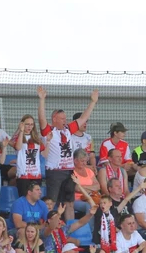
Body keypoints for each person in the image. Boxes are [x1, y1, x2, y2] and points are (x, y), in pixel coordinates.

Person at [37, 86, 99, 217]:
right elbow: (42, 119)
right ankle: (51, 225)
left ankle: (69, 227)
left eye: (65, 118)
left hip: (69, 171)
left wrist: (92, 102)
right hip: (54, 171)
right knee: (52, 202)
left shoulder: (68, 129)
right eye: (62, 118)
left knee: (69, 202)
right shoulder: (49, 131)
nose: (65, 120)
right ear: (54, 119)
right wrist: (42, 100)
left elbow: (82, 118)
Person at [13, 114, 49, 197]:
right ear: (22, 124)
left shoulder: (36, 138)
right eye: (27, 124)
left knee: (35, 198)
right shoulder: (17, 137)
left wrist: (48, 142)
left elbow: (44, 154)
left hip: (36, 174)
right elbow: (18, 147)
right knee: (24, 198)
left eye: (31, 124)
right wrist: (21, 131)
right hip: (23, 174)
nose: (29, 126)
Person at [71, 149, 100, 218]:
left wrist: (83, 187)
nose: (85, 163)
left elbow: (98, 186)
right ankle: (90, 228)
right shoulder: (71, 172)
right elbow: (76, 188)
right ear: (75, 160)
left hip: (92, 197)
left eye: (86, 161)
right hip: (77, 200)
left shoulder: (89, 171)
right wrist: (91, 188)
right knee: (90, 205)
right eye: (82, 161)